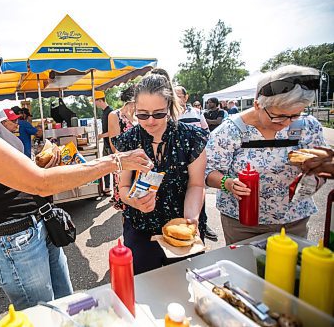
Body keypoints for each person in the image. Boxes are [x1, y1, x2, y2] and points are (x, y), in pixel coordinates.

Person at [0, 16, 153, 312]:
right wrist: (115, 161)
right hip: (14, 240)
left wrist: (41, 164)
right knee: (49, 317)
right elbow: (38, 182)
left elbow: (14, 174)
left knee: (70, 309)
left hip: (37, 226)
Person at [205, 65, 326, 245]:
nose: (286, 123)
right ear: (257, 105)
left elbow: (322, 166)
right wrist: (227, 183)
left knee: (291, 270)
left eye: (295, 115)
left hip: (293, 220)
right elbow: (208, 172)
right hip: (243, 223)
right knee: (246, 268)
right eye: (279, 116)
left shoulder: (308, 125)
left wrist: (316, 172)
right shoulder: (230, 131)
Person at [113, 73, 208, 275]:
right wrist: (133, 201)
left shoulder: (190, 137)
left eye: (158, 114)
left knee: (185, 287)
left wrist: (191, 219)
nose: (150, 121)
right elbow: (122, 187)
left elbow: (196, 184)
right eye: (142, 114)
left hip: (181, 226)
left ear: (170, 106)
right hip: (140, 229)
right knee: (145, 291)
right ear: (133, 110)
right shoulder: (128, 140)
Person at [174, 85, 217, 241]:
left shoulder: (197, 113)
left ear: (186, 97)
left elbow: (206, 133)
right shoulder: (171, 115)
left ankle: (202, 226)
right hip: (178, 161)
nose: (177, 98)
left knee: (199, 194)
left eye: (180, 95)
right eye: (175, 95)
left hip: (196, 158)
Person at [108, 85, 137, 210]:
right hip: (123, 164)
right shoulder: (115, 115)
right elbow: (114, 145)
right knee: (125, 206)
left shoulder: (138, 116)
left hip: (139, 164)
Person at [96, 90, 113, 196]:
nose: (95, 104)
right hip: (106, 144)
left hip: (111, 145)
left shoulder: (110, 112)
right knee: (106, 167)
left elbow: (113, 131)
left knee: (113, 168)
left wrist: (101, 136)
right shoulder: (104, 112)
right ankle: (107, 188)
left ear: (100, 100)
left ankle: (116, 193)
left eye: (95, 101)